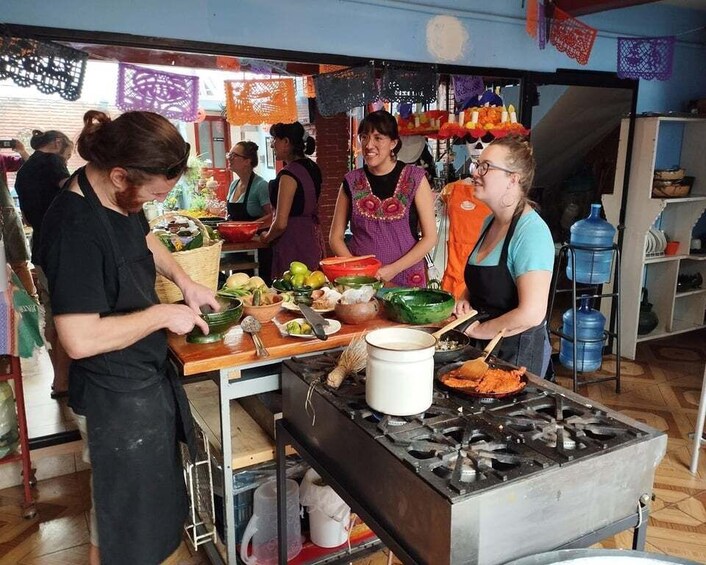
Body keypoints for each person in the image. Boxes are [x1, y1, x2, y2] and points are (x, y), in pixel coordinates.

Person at [39, 110, 219, 565]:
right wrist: (162, 314)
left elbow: (146, 240)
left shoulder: (114, 195)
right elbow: (78, 338)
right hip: (111, 394)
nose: (155, 202)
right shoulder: (74, 228)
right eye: (154, 193)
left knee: (127, 512)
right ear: (119, 175)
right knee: (122, 520)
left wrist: (186, 282)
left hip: (140, 381)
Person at [453, 135, 554, 376]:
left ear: (513, 179)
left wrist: (479, 330)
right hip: (482, 348)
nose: (475, 172)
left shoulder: (531, 233)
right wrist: (465, 300)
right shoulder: (490, 221)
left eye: (485, 167)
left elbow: (531, 313)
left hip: (514, 358)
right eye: (477, 165)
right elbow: (485, 283)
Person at [329, 110, 437, 287]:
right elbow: (335, 238)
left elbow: (430, 238)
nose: (369, 145)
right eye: (364, 137)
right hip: (362, 282)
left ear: (393, 143)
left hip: (406, 277)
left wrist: (393, 269)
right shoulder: (351, 182)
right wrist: (359, 271)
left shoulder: (416, 179)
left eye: (378, 138)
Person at [15, 129, 73, 397]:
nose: (68, 159)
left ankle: (59, 380)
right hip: (62, 246)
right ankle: (68, 380)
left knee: (51, 313)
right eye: (69, 154)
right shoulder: (52, 162)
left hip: (39, 247)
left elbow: (27, 217)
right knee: (68, 313)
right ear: (59, 144)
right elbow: (71, 193)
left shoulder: (25, 171)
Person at [260, 122, 324, 277]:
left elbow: (281, 223)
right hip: (311, 235)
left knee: (290, 288)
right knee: (312, 284)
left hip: (292, 241)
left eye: (275, 139)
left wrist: (266, 238)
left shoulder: (288, 175)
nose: (272, 145)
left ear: (286, 142)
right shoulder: (312, 167)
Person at [0, 139, 36, 297]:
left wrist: (21, 150)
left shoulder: (1, 159)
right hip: (6, 213)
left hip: (6, 214)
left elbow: (28, 165)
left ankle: (30, 307)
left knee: (19, 263)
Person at [226, 140, 272, 223]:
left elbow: (272, 216)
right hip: (235, 235)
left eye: (234, 155)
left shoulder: (261, 186)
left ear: (247, 161)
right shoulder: (233, 185)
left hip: (256, 235)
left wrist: (249, 227)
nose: (229, 158)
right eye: (229, 154)